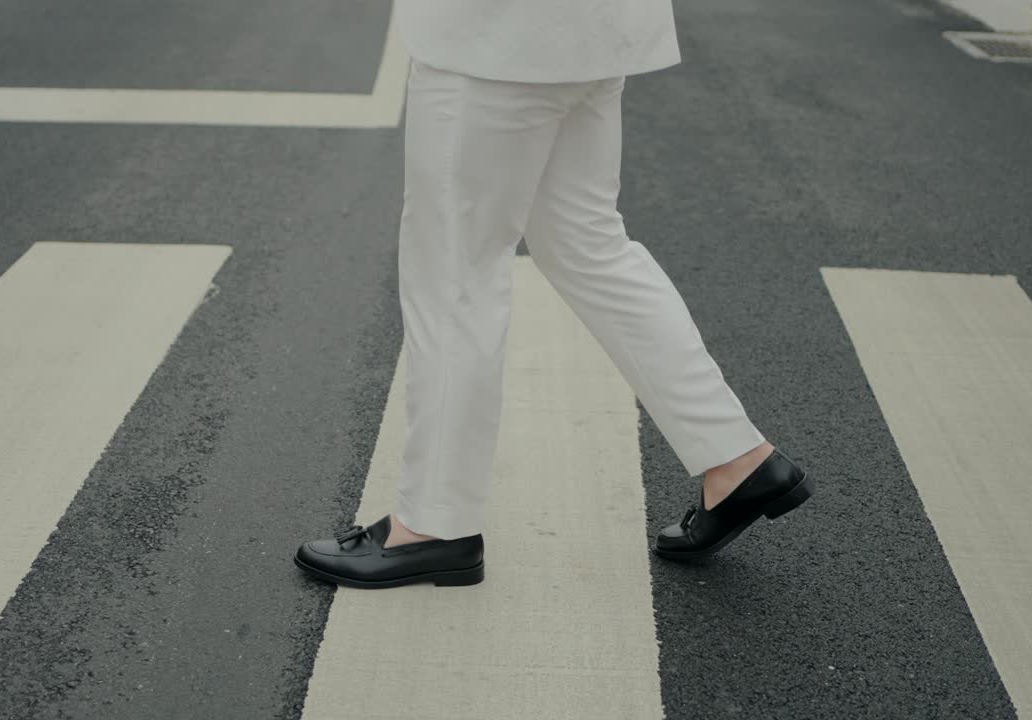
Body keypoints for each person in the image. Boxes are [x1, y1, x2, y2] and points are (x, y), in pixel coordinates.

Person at [294, 1, 814, 589]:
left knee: (455, 270)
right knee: (589, 245)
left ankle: (433, 522)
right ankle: (735, 458)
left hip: (495, 36)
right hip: (591, 29)